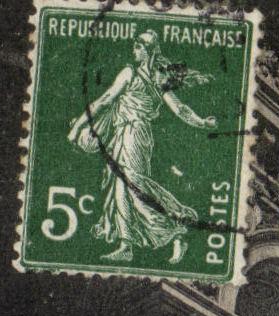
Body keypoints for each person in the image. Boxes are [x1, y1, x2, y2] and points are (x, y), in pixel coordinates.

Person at [68, 32, 216, 264]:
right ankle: (128, 243)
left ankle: (178, 226)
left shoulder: (140, 75)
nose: (134, 50)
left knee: (132, 183)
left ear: (148, 50)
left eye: (138, 46)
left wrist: (77, 126)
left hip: (135, 134)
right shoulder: (150, 77)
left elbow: (106, 99)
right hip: (125, 134)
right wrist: (202, 122)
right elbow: (180, 109)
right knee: (123, 187)